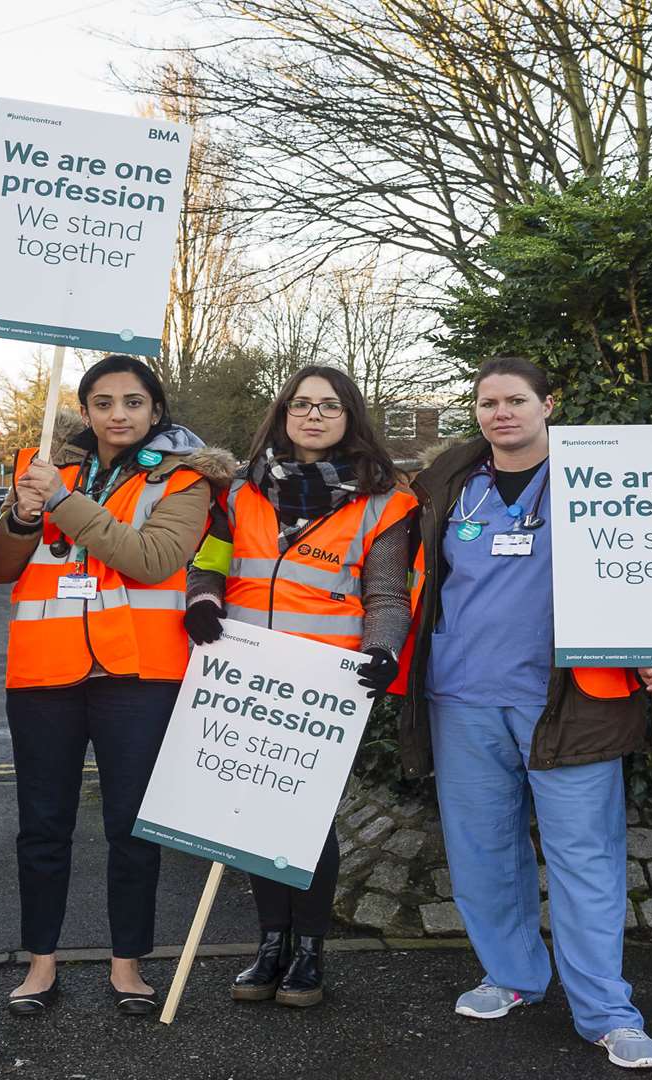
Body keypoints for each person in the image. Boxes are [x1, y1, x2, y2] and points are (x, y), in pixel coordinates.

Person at [398, 356, 652, 1071]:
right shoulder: (448, 486)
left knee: (586, 858)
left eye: (516, 400)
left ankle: (608, 1011)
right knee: (483, 850)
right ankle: (513, 976)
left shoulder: (601, 478)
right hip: (462, 694)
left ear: (549, 404)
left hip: (573, 700)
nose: (501, 413)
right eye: (488, 402)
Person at [0, 354, 233, 1016]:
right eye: (103, 402)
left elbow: (152, 561)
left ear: (156, 410)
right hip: (42, 673)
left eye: (133, 402)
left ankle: (128, 967)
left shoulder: (186, 480)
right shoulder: (44, 468)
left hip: (139, 676)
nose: (118, 414)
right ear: (85, 411)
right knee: (41, 827)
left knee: (131, 828)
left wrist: (62, 502)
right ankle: (40, 964)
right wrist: (26, 518)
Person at [184, 365, 417, 1008]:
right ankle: (271, 944)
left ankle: (309, 951)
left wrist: (383, 650)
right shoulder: (236, 492)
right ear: (283, 413)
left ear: (351, 418)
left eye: (331, 407)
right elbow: (207, 562)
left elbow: (388, 594)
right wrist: (202, 600)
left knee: (306, 818)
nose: (314, 416)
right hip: (245, 675)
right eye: (302, 404)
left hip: (324, 683)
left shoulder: (384, 500)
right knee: (254, 818)